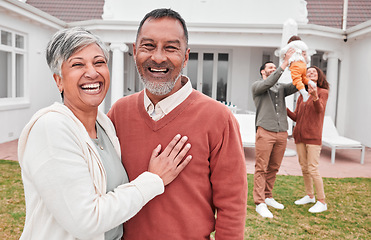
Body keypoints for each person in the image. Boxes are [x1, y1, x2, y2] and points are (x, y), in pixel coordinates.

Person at [17, 27, 192, 240]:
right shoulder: (51, 128)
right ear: (59, 80)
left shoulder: (105, 125)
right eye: (78, 64)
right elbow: (87, 221)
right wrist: (153, 180)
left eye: (99, 62)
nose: (92, 72)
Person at [107, 8, 247, 240]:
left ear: (186, 56)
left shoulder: (219, 118)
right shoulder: (119, 113)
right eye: (148, 46)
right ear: (134, 51)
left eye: (171, 47)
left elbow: (232, 204)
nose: (159, 57)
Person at [251, 49, 297, 218]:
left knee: (274, 167)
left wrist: (299, 65)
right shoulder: (258, 86)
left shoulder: (281, 88)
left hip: (281, 132)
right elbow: (269, 83)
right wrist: (283, 64)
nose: (272, 68)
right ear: (262, 71)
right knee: (261, 168)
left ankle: (268, 196)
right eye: (269, 67)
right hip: (265, 131)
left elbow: (297, 85)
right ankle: (259, 202)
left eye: (274, 66)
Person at [287, 66, 329, 213]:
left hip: (313, 137)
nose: (311, 73)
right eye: (308, 72)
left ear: (319, 76)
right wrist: (284, 110)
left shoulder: (323, 92)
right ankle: (310, 195)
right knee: (304, 168)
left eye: (314, 72)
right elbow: (296, 117)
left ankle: (322, 202)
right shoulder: (301, 95)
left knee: (312, 168)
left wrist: (315, 95)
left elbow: (320, 110)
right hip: (299, 136)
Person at [280, 35, 316, 102]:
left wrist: (283, 58)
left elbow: (283, 51)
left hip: (295, 65)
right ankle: (311, 83)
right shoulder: (303, 46)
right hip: (303, 65)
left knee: (296, 79)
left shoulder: (291, 46)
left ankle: (304, 93)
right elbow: (308, 59)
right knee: (303, 78)